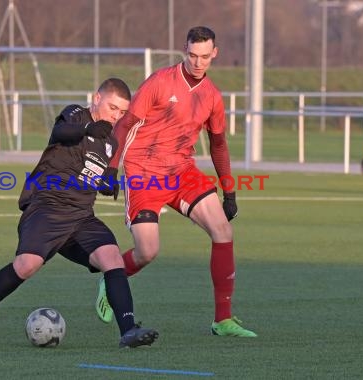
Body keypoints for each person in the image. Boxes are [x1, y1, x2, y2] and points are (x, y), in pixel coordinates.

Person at [0, 78, 158, 348]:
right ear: (96, 98)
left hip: (81, 217)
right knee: (26, 266)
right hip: (47, 207)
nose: (116, 116)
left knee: (112, 257)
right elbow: (61, 132)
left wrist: (106, 182)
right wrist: (88, 127)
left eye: (122, 112)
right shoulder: (76, 114)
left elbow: (89, 172)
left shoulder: (110, 142)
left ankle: (128, 331)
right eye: (112, 108)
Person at [95, 27, 256, 337]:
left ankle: (222, 319)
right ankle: (112, 276)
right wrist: (111, 168)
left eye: (205, 57)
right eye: (193, 55)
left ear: (215, 54)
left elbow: (219, 145)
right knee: (148, 251)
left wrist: (230, 191)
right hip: (143, 172)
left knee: (223, 230)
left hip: (182, 171)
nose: (198, 63)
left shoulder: (212, 97)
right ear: (185, 50)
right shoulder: (159, 81)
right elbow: (126, 123)